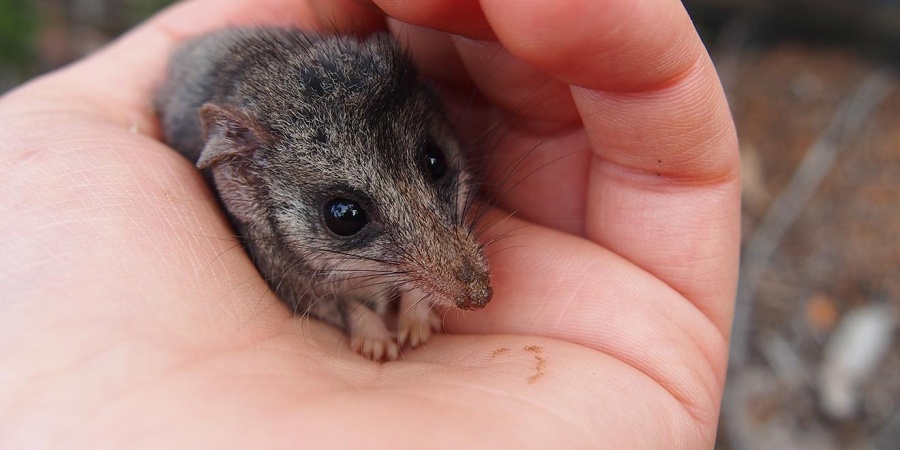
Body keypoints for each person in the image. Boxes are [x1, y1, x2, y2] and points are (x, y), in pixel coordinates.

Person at [0, 0, 740, 447]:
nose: (468, 279)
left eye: (431, 167)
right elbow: (305, 276)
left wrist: (415, 289)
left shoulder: (393, 80)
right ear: (245, 182)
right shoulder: (255, 172)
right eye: (347, 217)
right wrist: (362, 317)